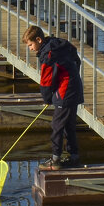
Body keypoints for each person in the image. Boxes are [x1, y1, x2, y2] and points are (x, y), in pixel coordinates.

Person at [23, 25, 84, 170]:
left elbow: (46, 81)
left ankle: (56, 159)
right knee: (68, 125)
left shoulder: (48, 55)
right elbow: (77, 60)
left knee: (57, 125)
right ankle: (74, 157)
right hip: (74, 88)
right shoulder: (59, 44)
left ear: (39, 40)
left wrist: (48, 98)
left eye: (31, 45)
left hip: (65, 92)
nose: (30, 49)